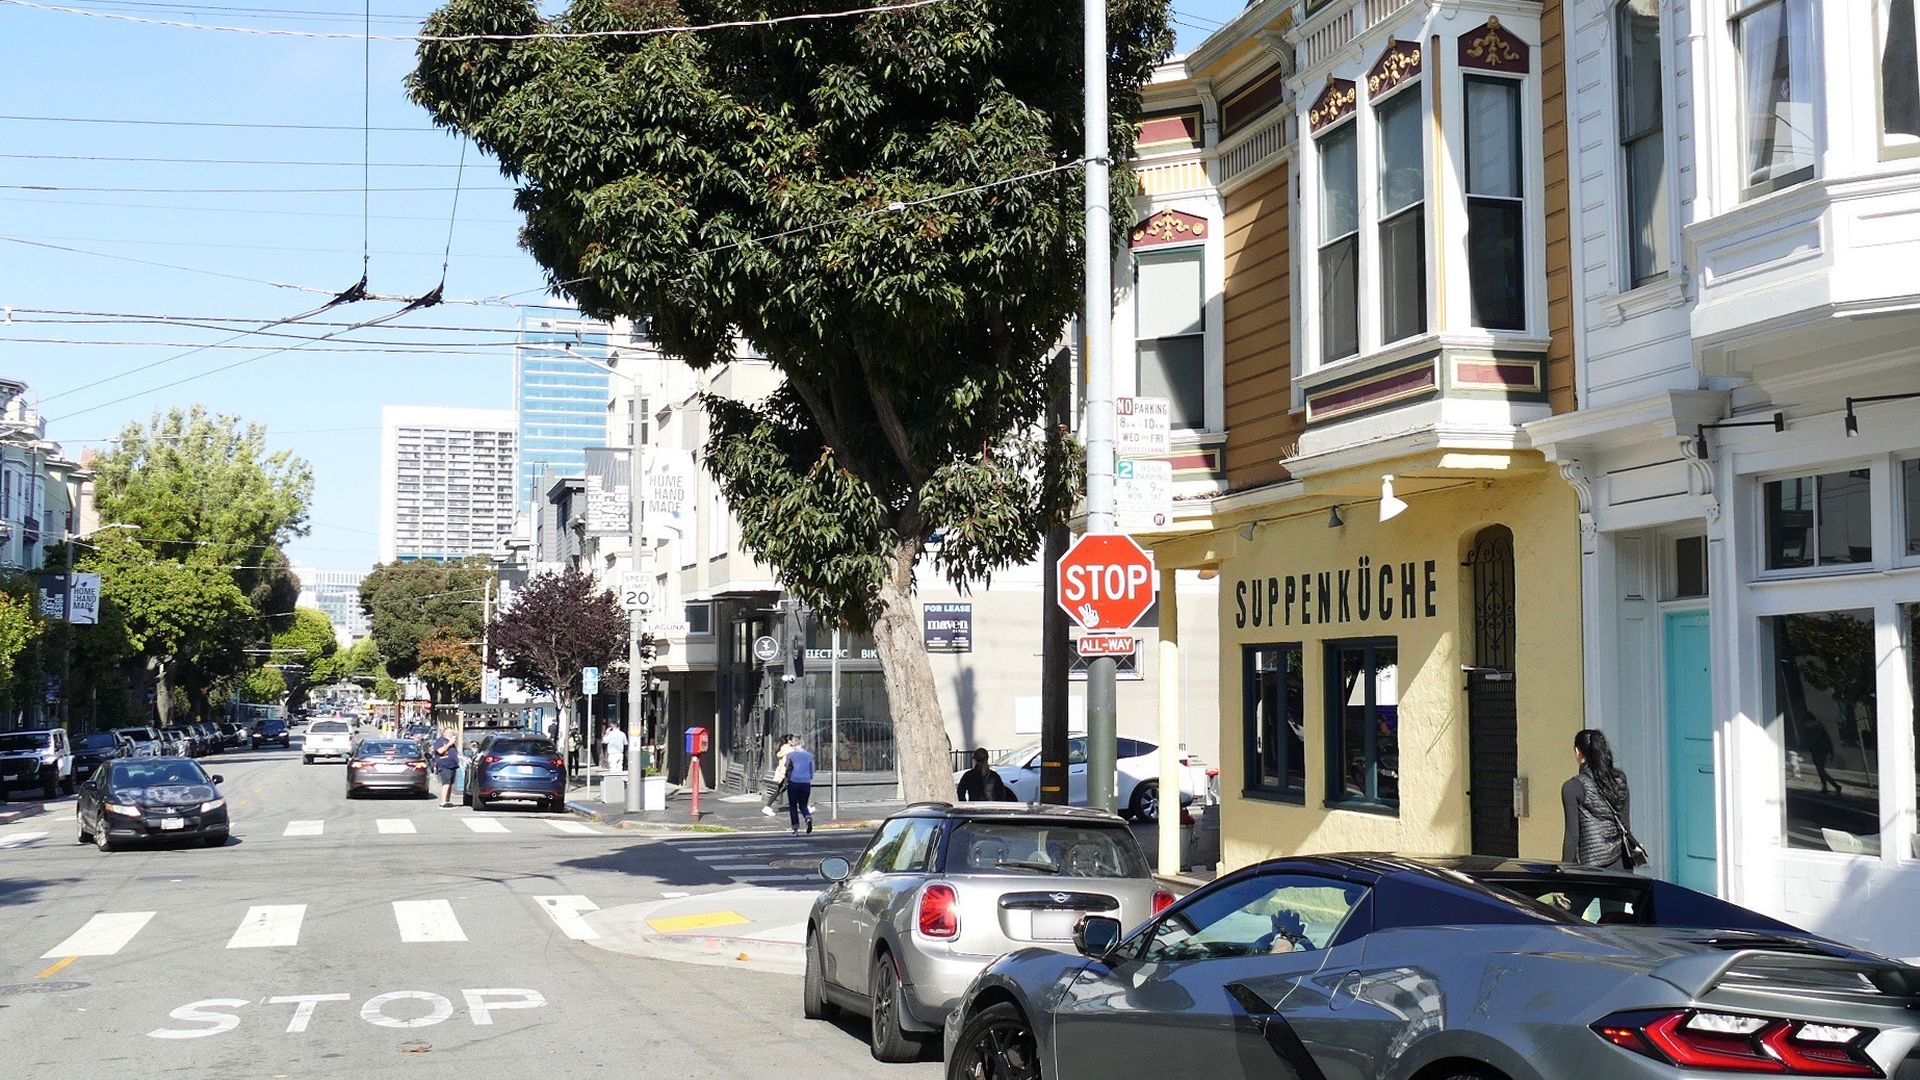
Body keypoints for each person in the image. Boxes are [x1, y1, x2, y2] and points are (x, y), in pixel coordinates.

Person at [1561, 728, 1634, 870]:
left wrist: (1564, 868)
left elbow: (1572, 836)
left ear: (1577, 752)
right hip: (1622, 864)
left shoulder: (1573, 787)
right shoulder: (1619, 780)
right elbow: (1626, 825)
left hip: (1593, 867)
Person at [785, 735, 815, 835]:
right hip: (805, 782)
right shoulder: (809, 755)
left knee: (793, 805)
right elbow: (811, 771)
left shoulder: (790, 755)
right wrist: (809, 778)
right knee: (803, 805)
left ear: (793, 743)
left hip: (794, 781)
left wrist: (786, 780)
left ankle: (795, 828)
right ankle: (808, 817)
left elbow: (788, 769)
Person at [760, 733, 797, 817]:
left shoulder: (785, 749)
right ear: (789, 741)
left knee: (781, 790)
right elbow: (786, 764)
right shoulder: (790, 751)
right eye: (794, 740)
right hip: (787, 774)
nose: (795, 742)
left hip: (785, 774)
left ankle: (767, 807)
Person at [431, 726, 461, 807]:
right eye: (450, 733)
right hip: (444, 765)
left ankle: (447, 800)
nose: (452, 734)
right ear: (444, 733)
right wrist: (449, 744)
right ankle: (443, 802)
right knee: (446, 783)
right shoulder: (440, 741)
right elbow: (440, 751)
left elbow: (454, 753)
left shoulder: (451, 742)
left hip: (452, 765)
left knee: (450, 783)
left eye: (452, 733)